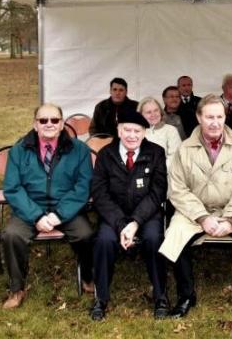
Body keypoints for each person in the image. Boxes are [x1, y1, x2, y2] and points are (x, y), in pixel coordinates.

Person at [159, 94, 232, 318]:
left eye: (219, 116)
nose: (215, 122)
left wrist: (230, 218)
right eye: (209, 116)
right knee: (175, 236)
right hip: (195, 211)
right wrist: (202, 218)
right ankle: (186, 296)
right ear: (199, 117)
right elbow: (177, 189)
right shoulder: (184, 149)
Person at [2, 103, 94, 309]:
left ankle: (88, 277)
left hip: (65, 208)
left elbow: (83, 186)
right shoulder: (19, 150)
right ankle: (17, 288)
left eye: (54, 120)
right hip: (30, 208)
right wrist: (36, 216)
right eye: (43, 120)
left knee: (86, 234)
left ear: (62, 124)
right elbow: (12, 188)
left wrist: (59, 215)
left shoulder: (79, 150)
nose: (49, 124)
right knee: (11, 235)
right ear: (35, 125)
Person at [90, 109, 168, 320]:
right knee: (104, 241)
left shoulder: (156, 153)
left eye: (137, 131)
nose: (132, 135)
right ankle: (101, 298)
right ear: (118, 130)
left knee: (154, 239)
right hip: (115, 215)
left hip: (147, 214)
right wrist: (121, 224)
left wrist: (135, 222)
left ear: (144, 132)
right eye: (127, 130)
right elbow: (99, 193)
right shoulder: (106, 155)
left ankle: (161, 296)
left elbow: (157, 192)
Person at [138, 96, 182, 169]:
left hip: (165, 175)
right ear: (141, 115)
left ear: (161, 112)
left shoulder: (170, 130)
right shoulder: (136, 132)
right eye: (149, 112)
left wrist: (155, 172)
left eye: (156, 110)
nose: (153, 114)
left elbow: (175, 158)